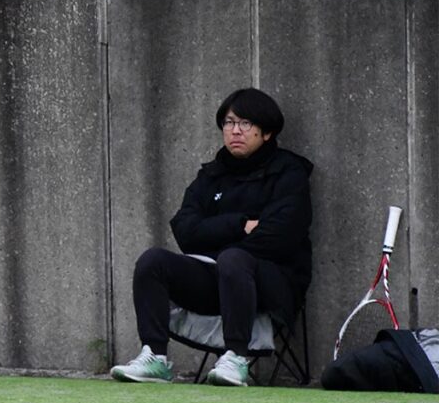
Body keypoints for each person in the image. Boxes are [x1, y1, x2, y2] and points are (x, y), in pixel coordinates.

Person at [110, 88, 313, 386]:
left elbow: (281, 236)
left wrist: (218, 240)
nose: (235, 131)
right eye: (229, 123)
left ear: (267, 132)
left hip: (271, 283)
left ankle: (236, 357)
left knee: (234, 260)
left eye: (245, 123)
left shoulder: (289, 173)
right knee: (153, 261)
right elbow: (185, 230)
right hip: (215, 278)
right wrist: (240, 225)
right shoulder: (212, 175)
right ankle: (155, 356)